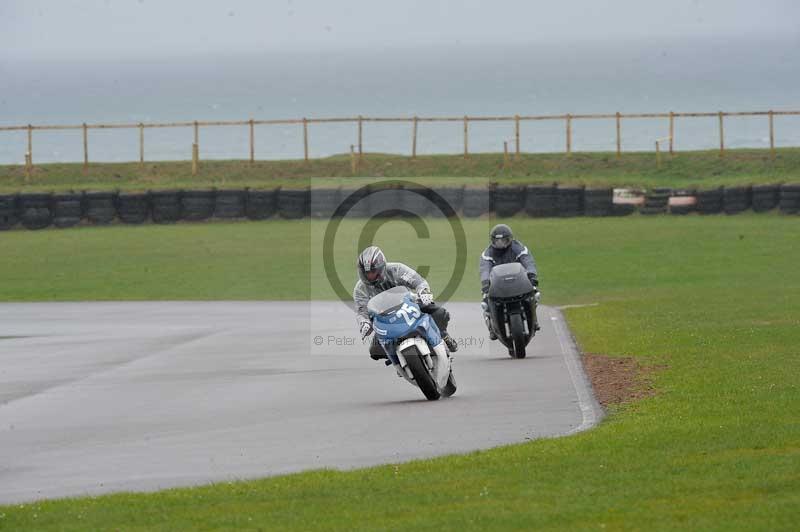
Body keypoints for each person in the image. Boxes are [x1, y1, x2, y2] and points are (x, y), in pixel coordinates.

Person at [354, 246, 459, 360]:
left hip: (409, 307)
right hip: (385, 321)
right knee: (375, 351)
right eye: (366, 273)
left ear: (381, 267)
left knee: (439, 313)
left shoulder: (397, 269)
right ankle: (399, 359)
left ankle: (443, 335)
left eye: (373, 271)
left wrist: (423, 291)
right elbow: (362, 311)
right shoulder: (360, 289)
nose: (369, 276)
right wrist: (364, 323)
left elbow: (418, 281)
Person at [479, 223, 540, 340]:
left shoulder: (519, 248)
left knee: (535, 293)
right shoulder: (487, 254)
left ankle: (534, 319)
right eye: (498, 241)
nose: (501, 244)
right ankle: (492, 327)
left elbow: (528, 261)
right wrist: (485, 283)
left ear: (510, 239)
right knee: (485, 303)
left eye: (504, 240)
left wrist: (532, 275)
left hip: (518, 282)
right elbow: (484, 269)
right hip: (497, 285)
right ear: (493, 241)